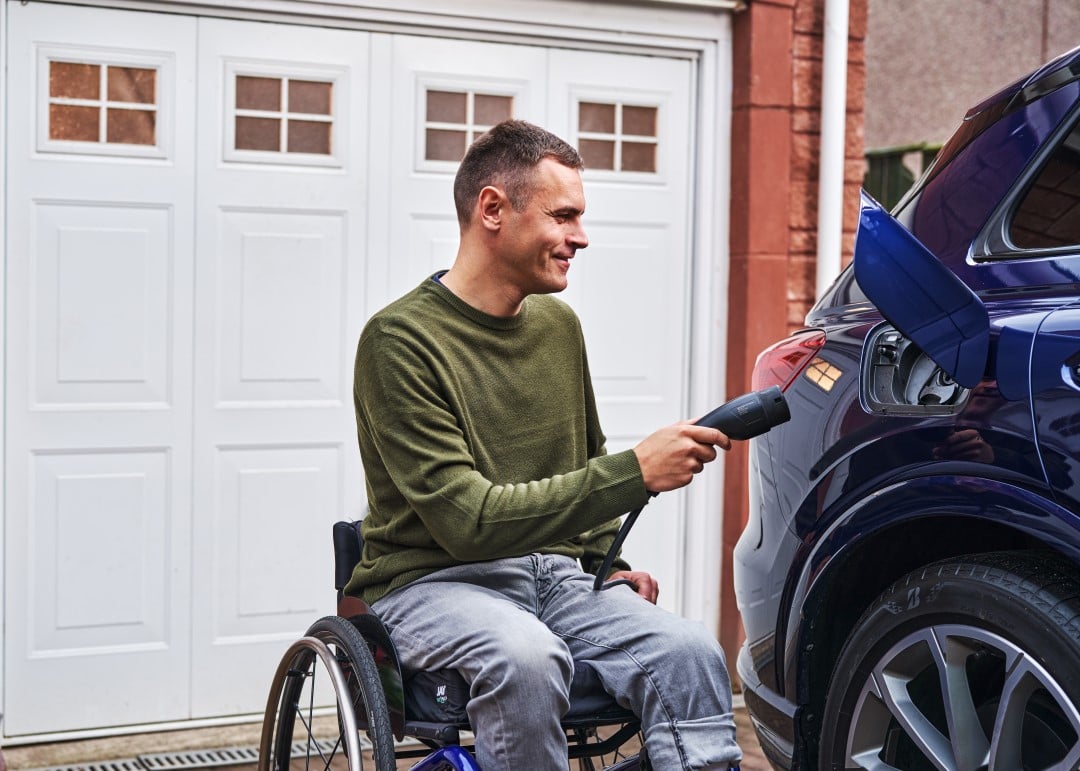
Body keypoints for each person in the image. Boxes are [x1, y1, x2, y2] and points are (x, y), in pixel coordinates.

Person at [345, 119, 741, 770]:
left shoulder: (559, 326)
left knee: (691, 649)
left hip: (554, 577)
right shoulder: (399, 342)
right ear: (493, 209)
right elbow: (467, 522)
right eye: (564, 216)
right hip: (433, 582)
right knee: (526, 657)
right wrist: (635, 471)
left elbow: (581, 459)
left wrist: (603, 560)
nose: (579, 237)